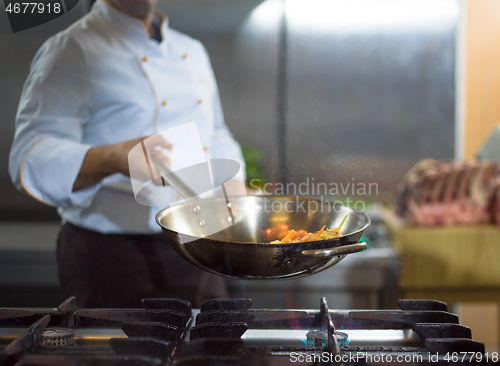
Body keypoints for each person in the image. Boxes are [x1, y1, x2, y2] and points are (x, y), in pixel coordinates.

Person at [9, 0, 246, 308]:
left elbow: (215, 134)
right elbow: (29, 156)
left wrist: (235, 190)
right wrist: (113, 158)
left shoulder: (192, 50)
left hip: (197, 244)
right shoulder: (71, 48)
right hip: (111, 256)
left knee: (208, 350)